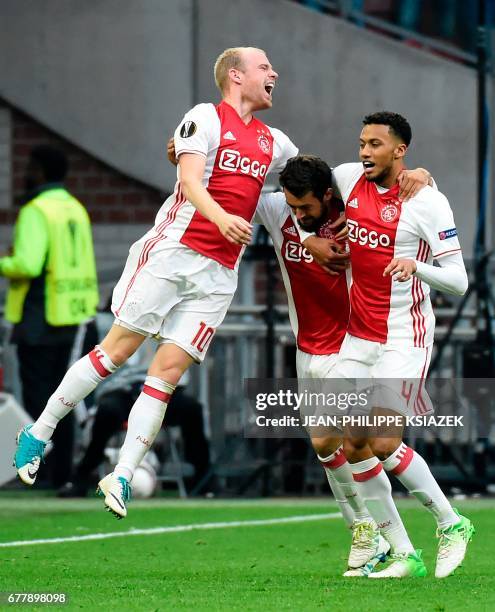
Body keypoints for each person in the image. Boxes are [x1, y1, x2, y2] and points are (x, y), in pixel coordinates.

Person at [13, 46, 298, 518]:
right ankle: (38, 432)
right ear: (235, 75)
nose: (274, 73)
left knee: (167, 375)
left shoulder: (276, 144)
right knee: (117, 351)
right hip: (172, 254)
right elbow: (189, 181)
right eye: (264, 67)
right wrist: (222, 217)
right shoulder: (204, 118)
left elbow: (314, 178)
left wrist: (405, 178)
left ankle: (122, 474)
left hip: (219, 273)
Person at [302, 112, 473, 578]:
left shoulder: (427, 202)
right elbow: (296, 193)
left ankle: (451, 523)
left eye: (375, 144)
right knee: (339, 439)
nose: (364, 152)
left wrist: (416, 267)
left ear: (400, 151)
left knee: (379, 439)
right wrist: (308, 236)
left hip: (404, 335)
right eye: (361, 142)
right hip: (360, 335)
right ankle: (402, 552)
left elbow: (458, 281)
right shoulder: (347, 178)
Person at [2, 145, 98, 487]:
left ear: (40, 170)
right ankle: (61, 473)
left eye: (29, 165)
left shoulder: (36, 210)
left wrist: (4, 261)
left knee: (39, 399)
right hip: (77, 318)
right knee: (66, 399)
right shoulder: (75, 208)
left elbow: (27, 264)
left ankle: (39, 470)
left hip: (41, 318)